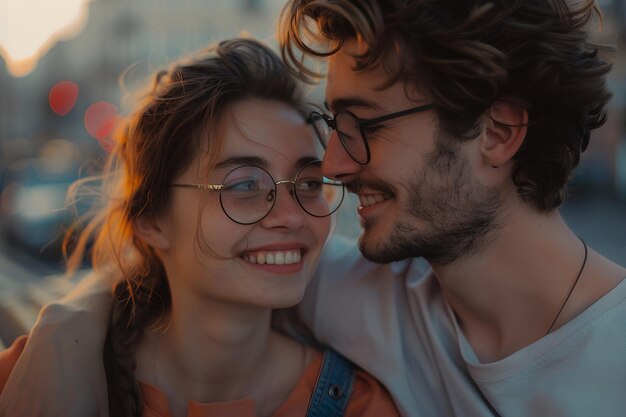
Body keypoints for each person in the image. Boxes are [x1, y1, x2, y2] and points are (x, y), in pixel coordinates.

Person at [2, 1, 626, 416]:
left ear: (496, 133)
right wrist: (65, 333)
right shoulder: (360, 291)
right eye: (334, 122)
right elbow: (190, 255)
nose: (330, 167)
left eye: (363, 124)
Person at [0, 38, 401, 417]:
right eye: (244, 185)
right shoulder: (32, 379)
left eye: (309, 184)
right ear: (151, 221)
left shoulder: (359, 406)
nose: (293, 216)